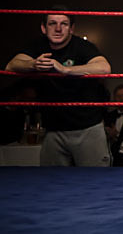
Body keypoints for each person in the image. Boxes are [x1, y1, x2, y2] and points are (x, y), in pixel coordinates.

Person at [6, 12, 112, 166]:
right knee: (50, 182)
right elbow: (12, 65)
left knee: (95, 179)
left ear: (71, 29)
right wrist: (33, 64)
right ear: (43, 28)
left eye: (64, 24)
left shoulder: (82, 46)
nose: (58, 29)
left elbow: (104, 68)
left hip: (87, 127)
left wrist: (65, 70)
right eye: (52, 23)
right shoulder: (37, 45)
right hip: (53, 129)